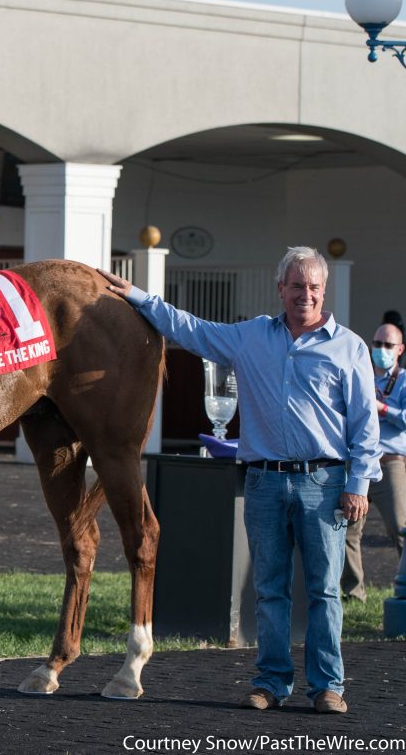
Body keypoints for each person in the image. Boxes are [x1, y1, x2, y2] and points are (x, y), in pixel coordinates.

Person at [100, 246, 380, 715]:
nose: (304, 295)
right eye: (296, 286)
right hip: (265, 483)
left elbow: (365, 424)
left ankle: (328, 687)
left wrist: (359, 485)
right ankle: (270, 683)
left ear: (324, 291)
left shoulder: (348, 346)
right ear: (281, 289)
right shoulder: (251, 337)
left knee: (325, 591)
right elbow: (192, 329)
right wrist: (139, 297)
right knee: (269, 590)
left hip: (326, 485)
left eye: (313, 287)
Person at [341, 320, 406, 602]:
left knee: (400, 529)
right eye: (377, 344)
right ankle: (354, 593)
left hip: (390, 463)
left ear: (400, 349)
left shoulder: (403, 380)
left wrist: (383, 408)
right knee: (348, 531)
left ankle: (403, 590)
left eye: (388, 345)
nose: (381, 349)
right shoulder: (362, 375)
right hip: (359, 464)